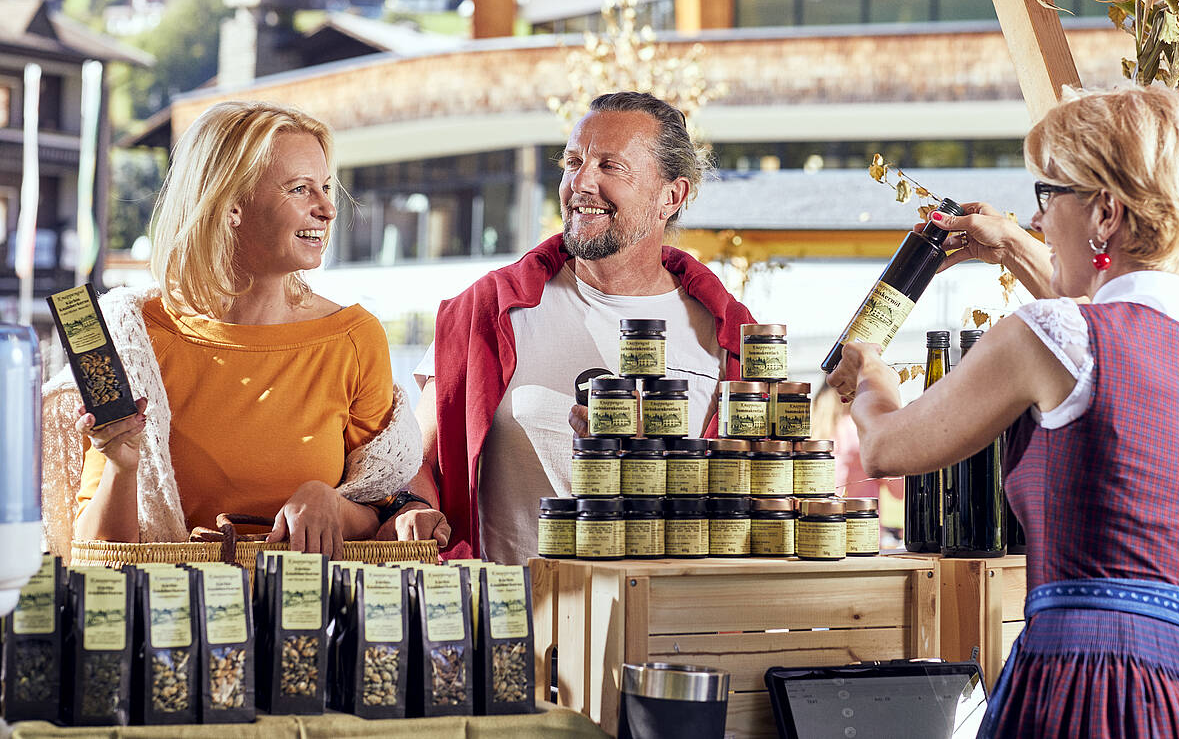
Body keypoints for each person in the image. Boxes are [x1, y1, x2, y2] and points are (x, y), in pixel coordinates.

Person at [827, 84, 1179, 738]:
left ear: (1106, 212)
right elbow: (1097, 338)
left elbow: (887, 446)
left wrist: (870, 375)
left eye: (1047, 196)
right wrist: (1011, 249)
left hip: (1084, 685)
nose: (1036, 221)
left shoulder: (1051, 336)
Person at [42, 101, 424, 560]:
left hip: (306, 621)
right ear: (230, 206)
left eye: (325, 187)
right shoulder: (132, 336)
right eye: (301, 189)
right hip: (174, 623)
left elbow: (384, 515)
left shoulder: (355, 338)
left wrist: (333, 504)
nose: (327, 208)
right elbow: (95, 554)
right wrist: (124, 470)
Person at [405, 91, 755, 563]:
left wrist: (650, 466)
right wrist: (416, 508)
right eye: (573, 161)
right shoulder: (489, 310)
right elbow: (415, 460)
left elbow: (760, 499)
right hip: (519, 624)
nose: (581, 182)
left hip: (668, 623)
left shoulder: (732, 337)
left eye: (610, 166)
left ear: (671, 196)